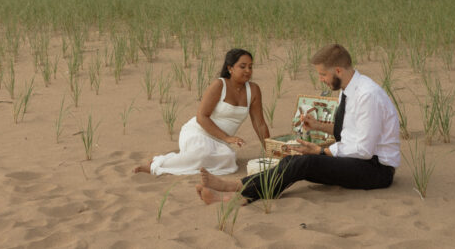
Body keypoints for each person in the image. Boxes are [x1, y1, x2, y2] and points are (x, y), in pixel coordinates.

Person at [197, 43, 400, 204]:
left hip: (377, 170)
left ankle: (236, 193)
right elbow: (348, 131)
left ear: (338, 70)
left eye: (323, 74)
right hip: (359, 160)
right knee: (293, 160)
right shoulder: (347, 90)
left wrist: (321, 152)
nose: (321, 79)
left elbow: (363, 150)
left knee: (307, 163)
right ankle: (239, 188)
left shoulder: (367, 95)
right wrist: (318, 126)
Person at [134, 48, 271, 176]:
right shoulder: (219, 85)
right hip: (197, 133)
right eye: (242, 66)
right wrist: (227, 138)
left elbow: (259, 124)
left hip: (220, 142)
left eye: (250, 66)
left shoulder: (253, 90)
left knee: (229, 159)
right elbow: (201, 117)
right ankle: (157, 164)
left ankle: (178, 158)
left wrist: (271, 150)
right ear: (230, 68)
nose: (248, 70)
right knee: (202, 155)